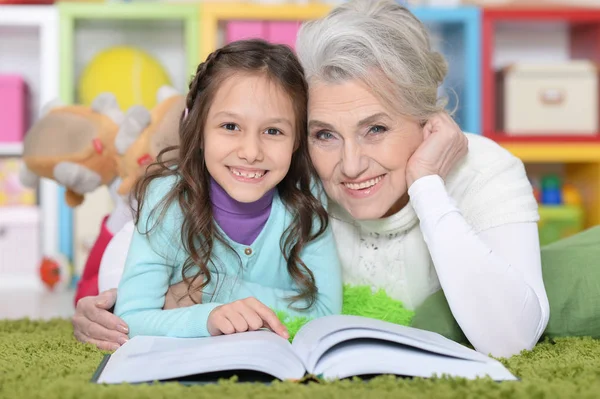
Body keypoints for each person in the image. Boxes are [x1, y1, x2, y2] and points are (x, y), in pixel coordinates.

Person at [72, 0, 549, 358]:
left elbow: (509, 338)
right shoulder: (300, 182)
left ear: (429, 122)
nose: (351, 164)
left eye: (376, 128)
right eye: (324, 134)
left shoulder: (485, 171)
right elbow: (159, 241)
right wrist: (107, 308)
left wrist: (427, 186)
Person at [85, 39, 343, 342]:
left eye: (273, 131)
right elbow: (132, 319)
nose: (251, 152)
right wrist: (208, 318)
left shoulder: (307, 201)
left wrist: (213, 289)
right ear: (199, 128)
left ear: (297, 140)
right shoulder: (165, 202)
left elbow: (326, 311)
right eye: (230, 126)